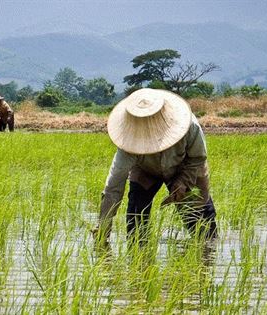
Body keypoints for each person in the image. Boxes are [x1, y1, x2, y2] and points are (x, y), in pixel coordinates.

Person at [93, 88, 217, 250]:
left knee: (203, 227)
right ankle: (140, 260)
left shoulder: (189, 126)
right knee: (136, 222)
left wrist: (182, 182)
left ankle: (207, 256)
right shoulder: (128, 143)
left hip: (185, 167)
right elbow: (113, 187)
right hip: (145, 171)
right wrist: (103, 226)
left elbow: (198, 158)